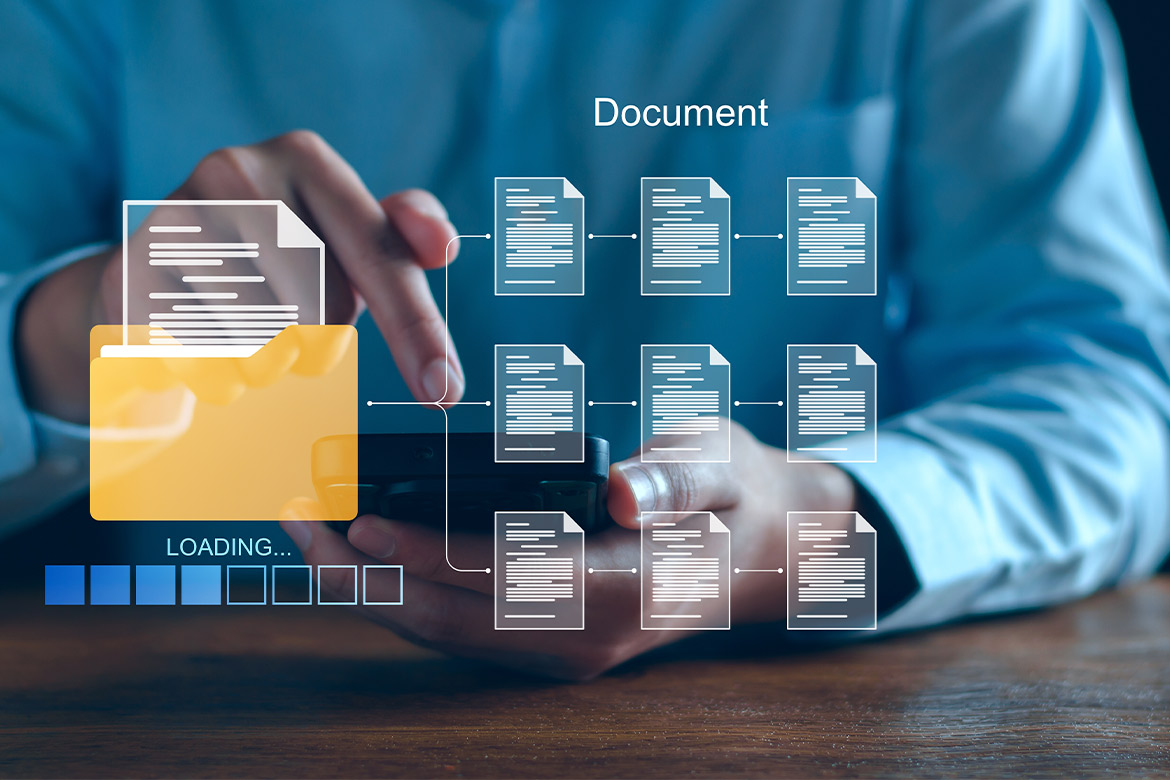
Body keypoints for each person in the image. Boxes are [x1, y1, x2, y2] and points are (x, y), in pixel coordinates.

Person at [2, 0, 1169, 680]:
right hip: (206, 693)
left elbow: (1117, 393)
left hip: (774, 700)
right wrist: (72, 334)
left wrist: (818, 534)